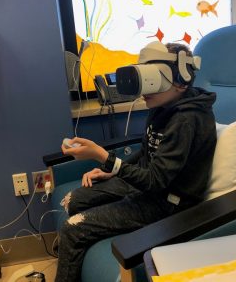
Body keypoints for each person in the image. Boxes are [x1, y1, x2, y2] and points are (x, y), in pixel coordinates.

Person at [55, 41, 217, 282]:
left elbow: (156, 181)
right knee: (76, 200)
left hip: (168, 203)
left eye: (154, 78)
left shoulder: (186, 120)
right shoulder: (163, 105)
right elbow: (147, 151)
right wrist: (110, 170)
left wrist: (104, 157)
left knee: (73, 228)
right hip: (147, 185)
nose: (144, 90)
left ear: (181, 81)